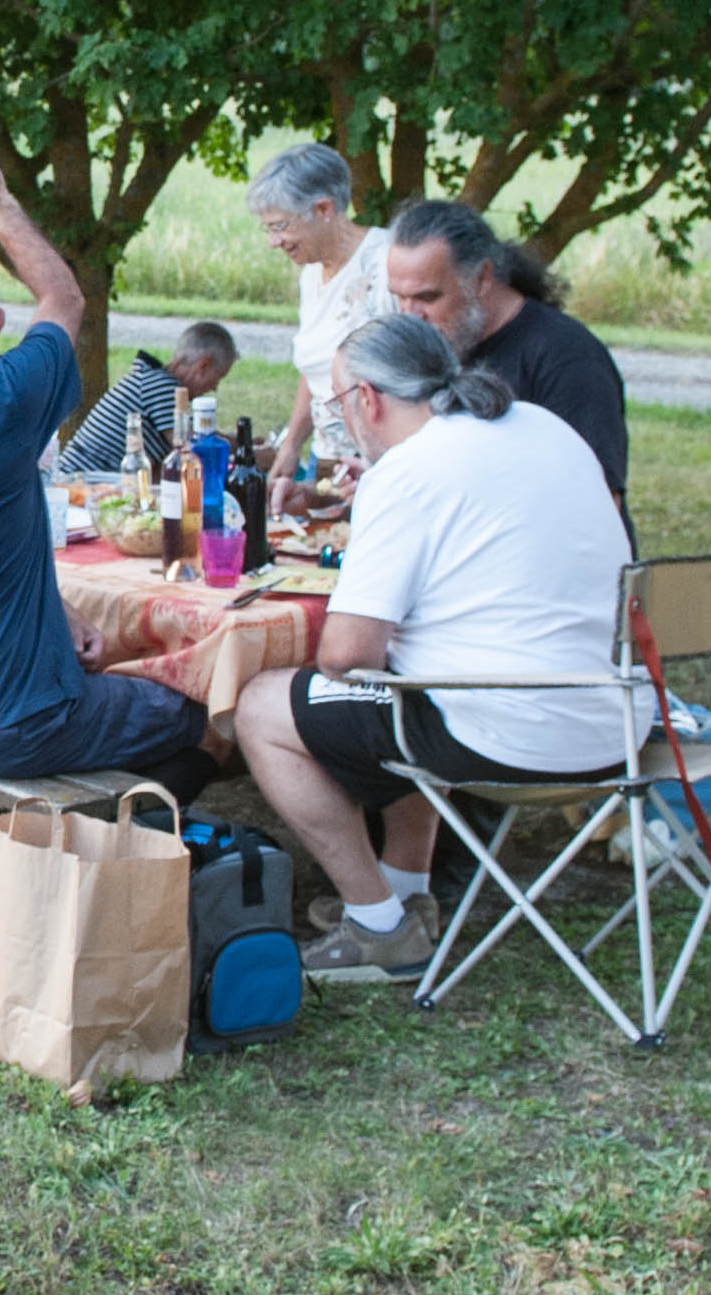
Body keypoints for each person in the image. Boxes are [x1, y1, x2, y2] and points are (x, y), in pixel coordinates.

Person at [227, 316, 633, 984]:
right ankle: (405, 891)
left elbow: (345, 653)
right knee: (405, 681)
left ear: (367, 400)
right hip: (615, 721)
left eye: (336, 403)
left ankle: (377, 926)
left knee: (263, 705)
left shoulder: (408, 471)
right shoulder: (544, 427)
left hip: (507, 733)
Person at [0, 127, 223, 797]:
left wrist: (60, 615)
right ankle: (129, 835)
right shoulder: (2, 399)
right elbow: (63, 298)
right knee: (207, 715)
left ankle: (83, 832)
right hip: (14, 720)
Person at [380, 199, 631, 512]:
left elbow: (600, 504)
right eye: (399, 298)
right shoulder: (441, 345)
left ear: (482, 278)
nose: (409, 315)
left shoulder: (568, 358)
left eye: (427, 297)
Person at [247, 144, 390, 512]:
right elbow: (315, 370)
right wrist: (291, 445)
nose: (273, 242)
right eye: (267, 229)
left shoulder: (383, 265)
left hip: (379, 463)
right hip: (327, 462)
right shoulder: (311, 274)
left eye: (280, 227)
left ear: (324, 209)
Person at [52, 321, 241, 476]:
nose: (214, 388)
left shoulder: (154, 381)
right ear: (203, 365)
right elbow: (194, 449)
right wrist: (245, 447)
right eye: (219, 376)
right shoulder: (161, 386)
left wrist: (237, 440)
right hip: (81, 484)